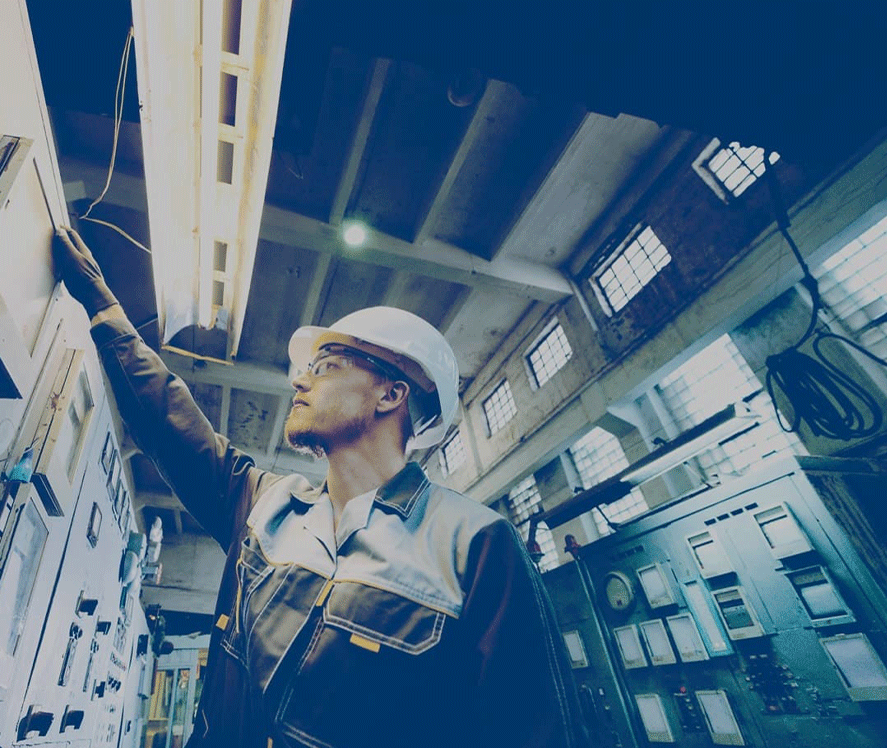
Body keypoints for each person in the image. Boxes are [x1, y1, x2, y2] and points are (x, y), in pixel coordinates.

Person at [55, 227, 587, 748]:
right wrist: (104, 311)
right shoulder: (268, 506)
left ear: (390, 394)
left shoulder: (477, 548)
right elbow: (169, 422)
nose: (299, 380)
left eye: (326, 366)